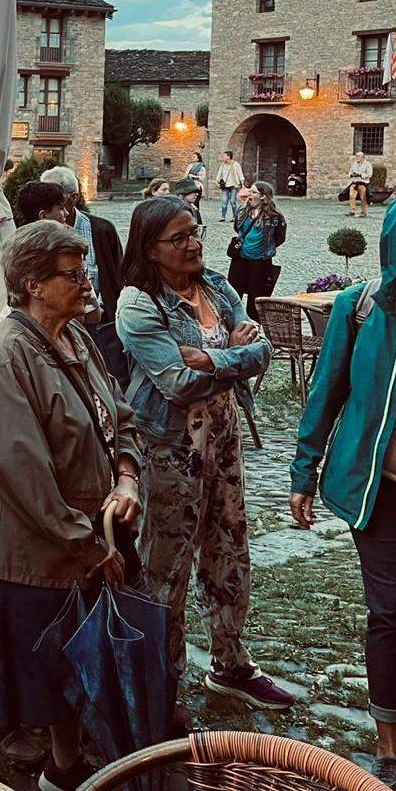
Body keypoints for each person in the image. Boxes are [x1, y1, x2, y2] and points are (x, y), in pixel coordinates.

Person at [0, 221, 142, 791]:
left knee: (67, 660)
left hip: (76, 538)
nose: (86, 281)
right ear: (33, 284)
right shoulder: (5, 353)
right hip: (19, 545)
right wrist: (88, 545)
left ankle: (64, 771)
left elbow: (119, 413)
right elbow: (19, 469)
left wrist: (128, 476)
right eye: (72, 272)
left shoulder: (76, 339)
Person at [116, 197, 291, 711]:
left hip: (223, 436)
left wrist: (212, 357)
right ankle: (159, 679)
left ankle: (231, 663)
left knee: (229, 546)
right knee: (165, 564)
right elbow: (174, 382)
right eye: (180, 237)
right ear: (151, 248)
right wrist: (234, 356)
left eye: (196, 233)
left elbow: (265, 351)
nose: (194, 244)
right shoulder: (138, 303)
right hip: (170, 448)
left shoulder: (215, 283)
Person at [291, 202, 396, 791]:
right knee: (390, 613)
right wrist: (303, 472)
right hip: (377, 491)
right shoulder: (357, 310)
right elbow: (324, 394)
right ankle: (391, 748)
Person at [41, 165, 126, 384]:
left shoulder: (102, 230)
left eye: (55, 195)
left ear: (74, 198)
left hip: (98, 325)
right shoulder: (38, 235)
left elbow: (119, 277)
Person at [228, 180, 286, 314]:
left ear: (263, 196)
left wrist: (264, 246)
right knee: (233, 295)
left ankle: (253, 327)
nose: (249, 195)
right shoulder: (242, 211)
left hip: (260, 261)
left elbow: (279, 238)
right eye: (250, 191)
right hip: (240, 260)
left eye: (253, 192)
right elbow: (237, 228)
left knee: (256, 299)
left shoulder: (274, 217)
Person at [215, 149, 244, 223]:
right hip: (225, 186)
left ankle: (234, 217)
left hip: (234, 185)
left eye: (224, 155)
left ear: (228, 156)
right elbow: (219, 174)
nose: (223, 157)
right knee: (224, 202)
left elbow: (240, 174)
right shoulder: (222, 165)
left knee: (232, 201)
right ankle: (223, 217)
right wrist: (217, 181)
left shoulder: (235, 164)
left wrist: (242, 183)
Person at [348, 148, 374, 218]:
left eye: (358, 156)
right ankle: (352, 212)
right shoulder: (354, 164)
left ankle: (363, 212)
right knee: (351, 196)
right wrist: (352, 175)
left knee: (363, 198)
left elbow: (370, 174)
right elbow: (350, 172)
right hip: (355, 182)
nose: (356, 158)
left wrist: (360, 175)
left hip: (363, 183)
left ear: (362, 157)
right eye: (356, 156)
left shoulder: (368, 164)